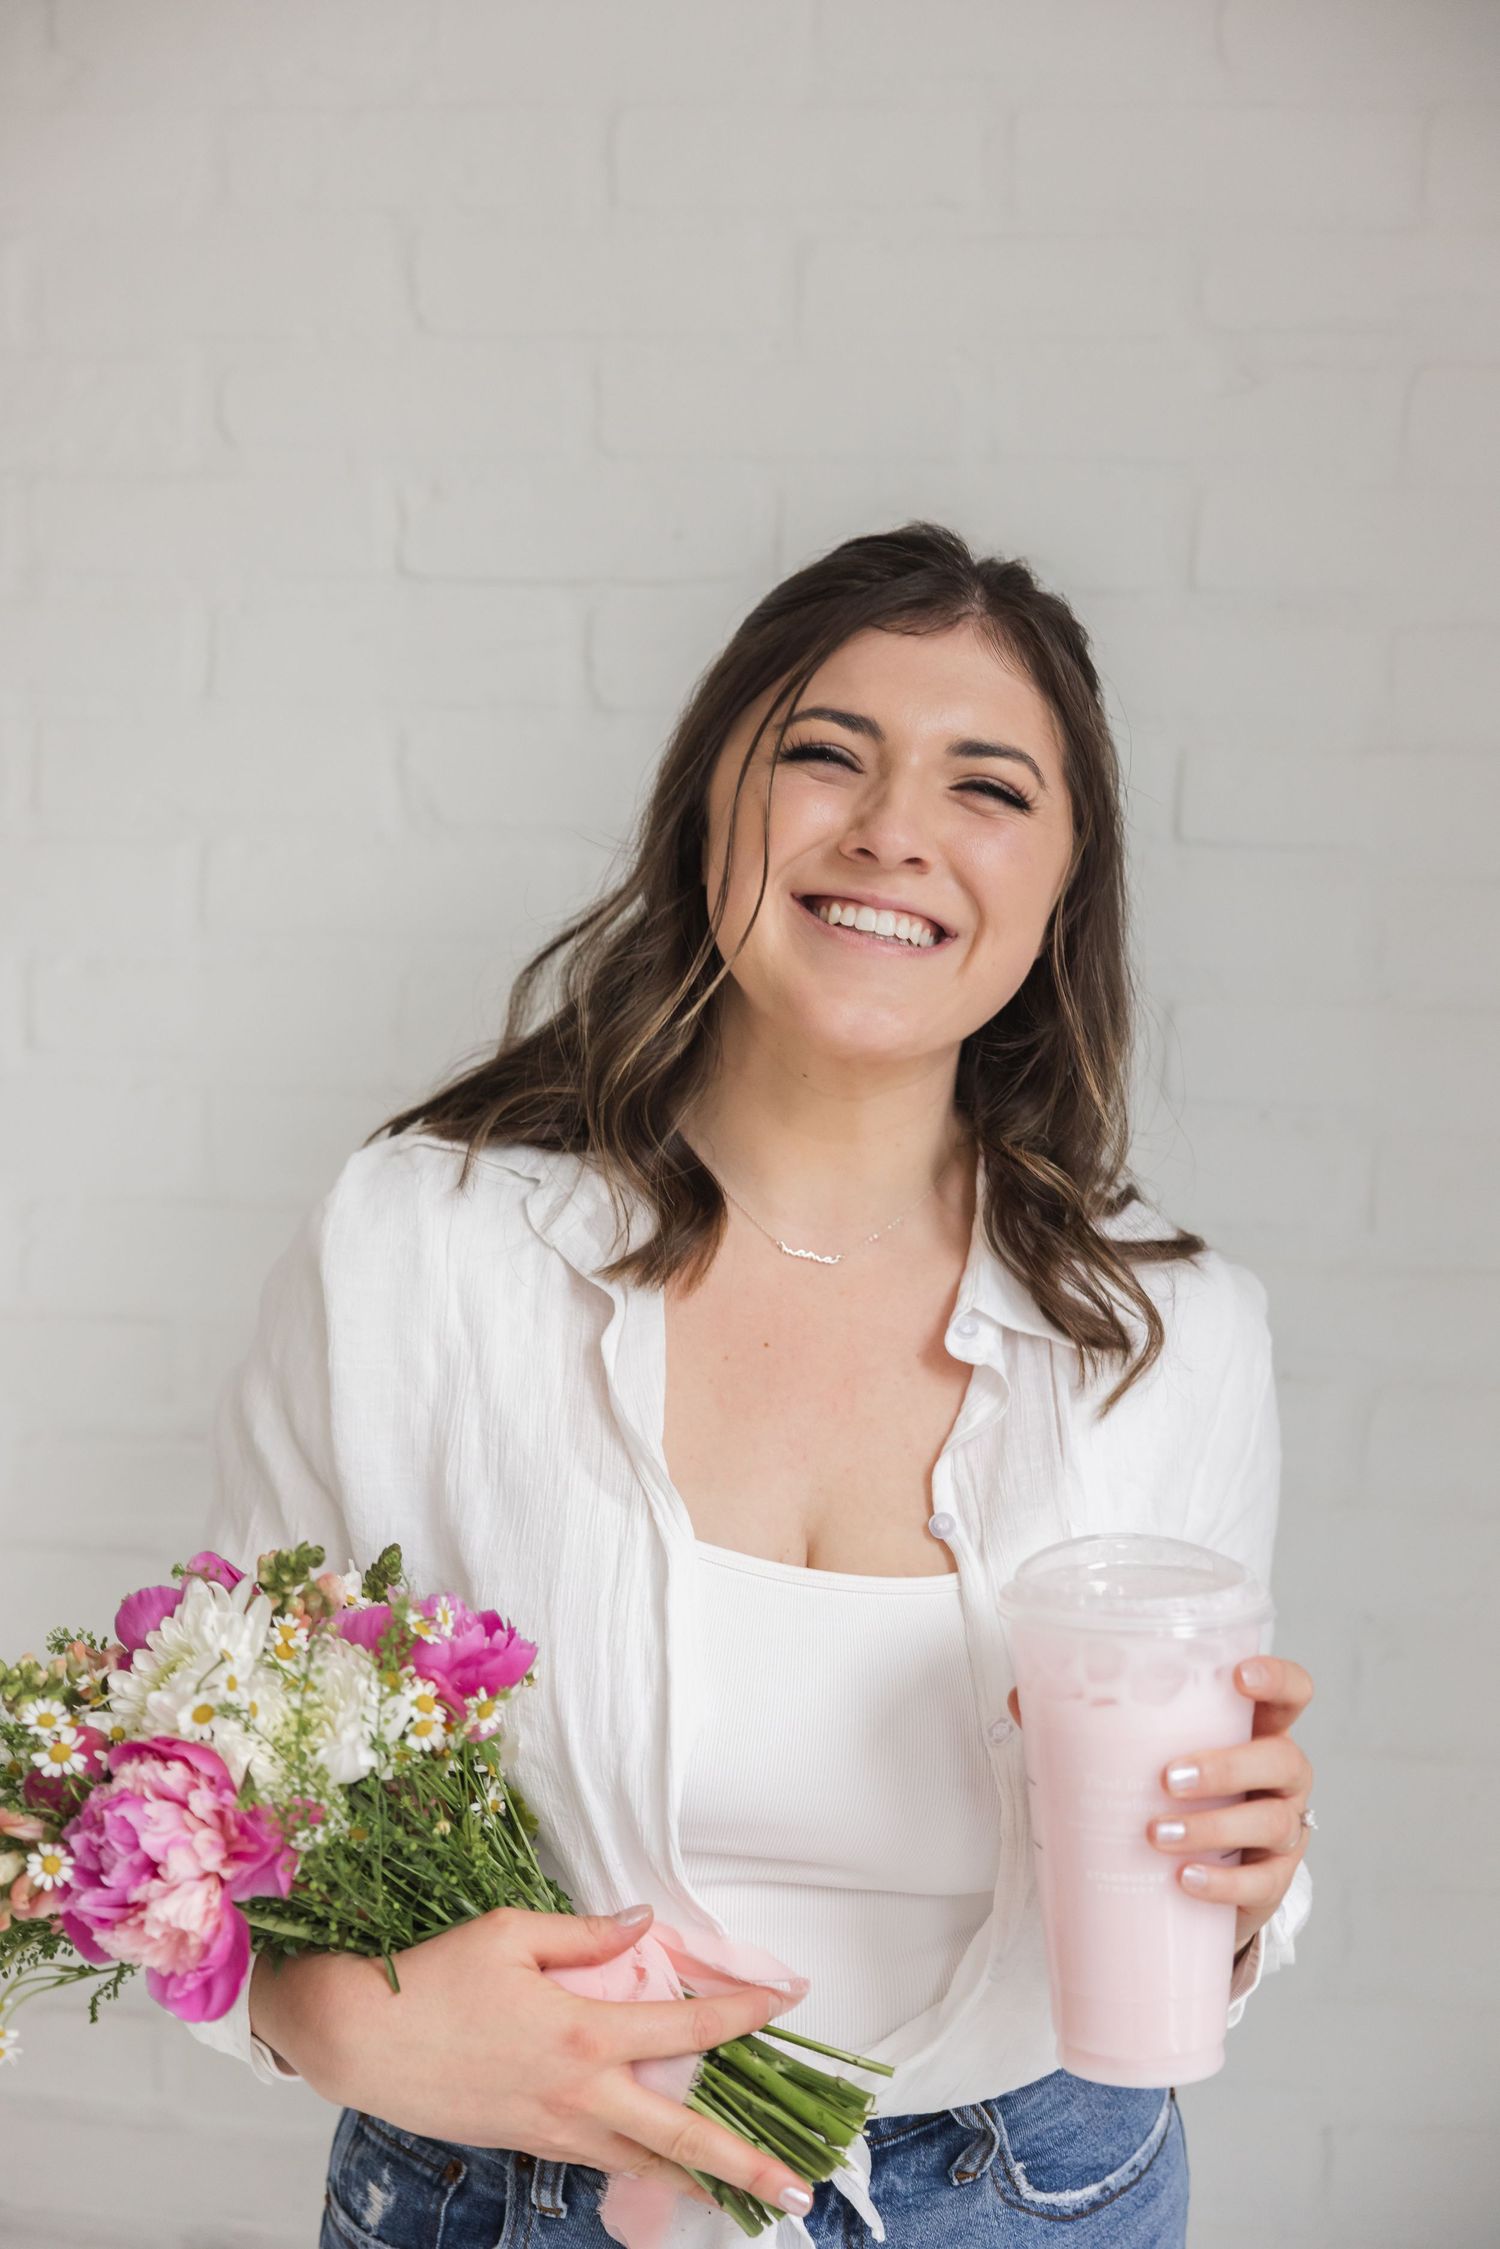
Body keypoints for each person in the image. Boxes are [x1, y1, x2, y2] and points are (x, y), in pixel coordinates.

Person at [185, 522, 1314, 2247]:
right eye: (822, 754)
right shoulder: (416, 1251)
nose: (892, 829)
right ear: (709, 805)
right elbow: (210, 1793)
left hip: (1039, 2190)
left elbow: (1183, 1910)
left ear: (1067, 883)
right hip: (508, 2192)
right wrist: (341, 2021)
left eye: (988, 786)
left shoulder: (1170, 1339)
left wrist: (1244, 1883)